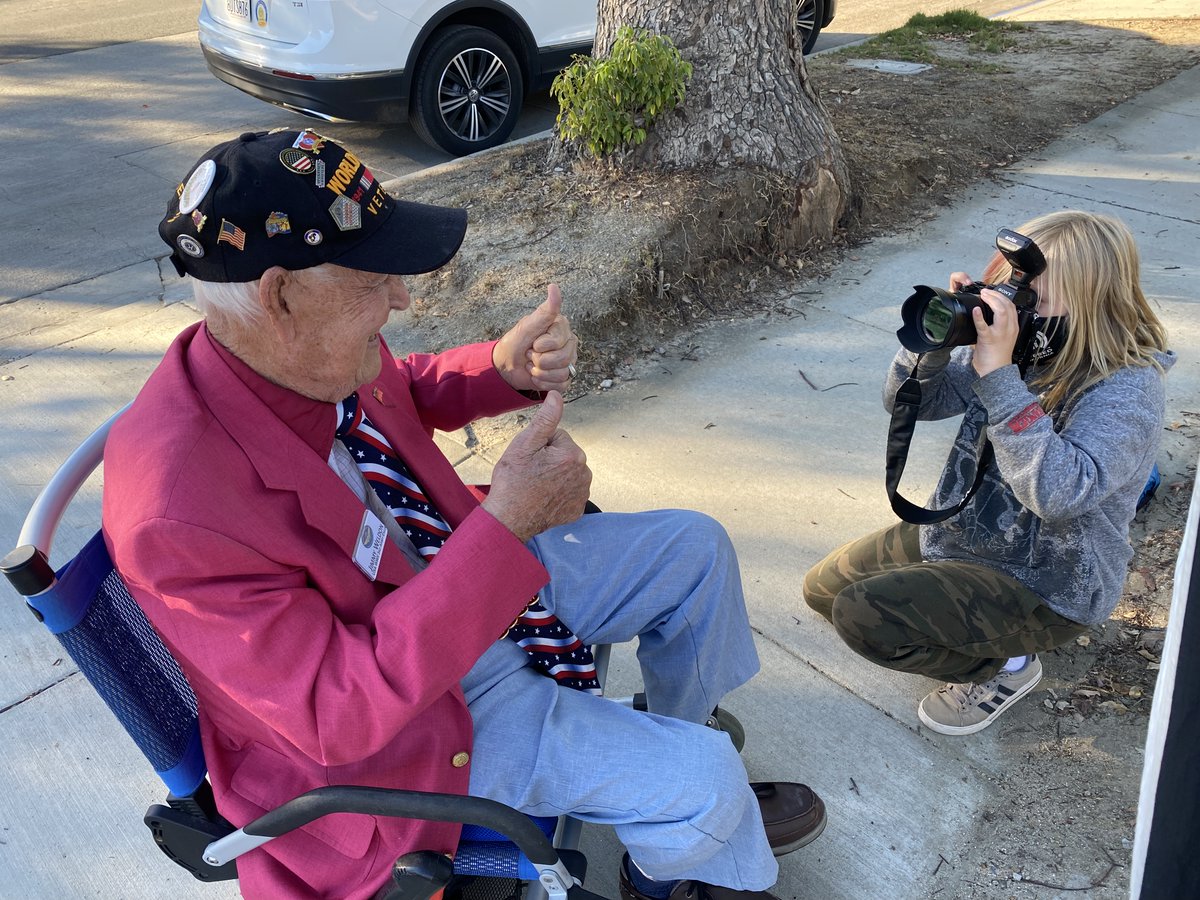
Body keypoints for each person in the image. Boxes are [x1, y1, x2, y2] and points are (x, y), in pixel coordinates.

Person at [101, 130, 826, 900]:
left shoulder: (288, 351)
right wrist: (504, 531)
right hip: (413, 720)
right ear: (281, 293)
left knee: (695, 550)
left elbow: (396, 392)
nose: (402, 298)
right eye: (374, 277)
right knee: (704, 781)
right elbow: (336, 714)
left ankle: (676, 781)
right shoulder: (175, 511)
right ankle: (677, 855)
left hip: (448, 575)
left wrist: (498, 369)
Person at [802, 210, 1174, 736]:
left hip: (1048, 577)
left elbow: (1056, 493)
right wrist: (937, 336)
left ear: (1091, 299)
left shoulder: (1128, 387)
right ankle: (974, 622)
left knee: (863, 618)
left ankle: (1007, 665)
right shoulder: (1024, 345)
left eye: (1034, 297)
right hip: (966, 534)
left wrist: (999, 377)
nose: (1014, 306)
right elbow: (912, 402)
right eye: (1008, 287)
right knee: (821, 590)